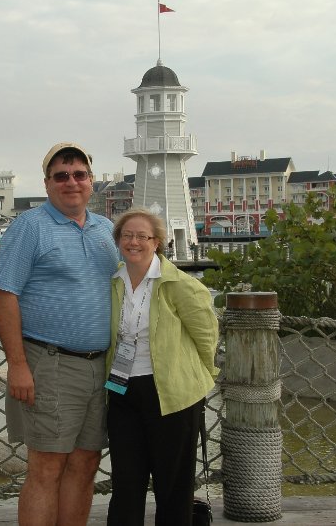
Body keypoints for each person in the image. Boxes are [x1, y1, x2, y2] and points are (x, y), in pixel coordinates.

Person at [0, 142, 120, 525]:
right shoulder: (28, 227)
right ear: (47, 183)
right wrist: (17, 364)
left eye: (79, 174)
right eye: (61, 175)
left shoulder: (106, 230)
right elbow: (4, 294)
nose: (71, 182)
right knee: (47, 466)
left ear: (92, 182)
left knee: (86, 463)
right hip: (49, 363)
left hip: (103, 366)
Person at [104, 208, 219, 525]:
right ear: (118, 241)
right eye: (127, 235)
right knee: (126, 483)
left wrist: (198, 380)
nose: (134, 242)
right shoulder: (112, 282)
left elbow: (207, 338)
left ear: (157, 242)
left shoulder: (180, 285)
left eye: (143, 236)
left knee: (173, 486)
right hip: (122, 390)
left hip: (173, 395)